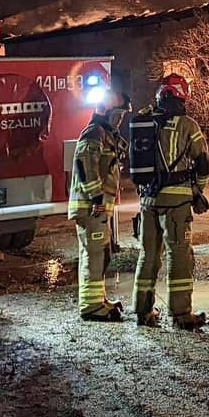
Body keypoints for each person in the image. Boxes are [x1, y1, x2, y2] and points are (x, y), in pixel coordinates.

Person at [133, 73, 209, 330]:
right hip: (176, 203)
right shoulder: (188, 125)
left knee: (148, 255)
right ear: (182, 95)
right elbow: (203, 165)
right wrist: (197, 191)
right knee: (179, 255)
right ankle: (181, 314)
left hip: (148, 201)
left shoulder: (145, 122)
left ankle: (142, 311)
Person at [68, 88, 129, 321]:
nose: (120, 120)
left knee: (99, 254)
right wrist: (96, 197)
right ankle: (91, 306)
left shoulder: (103, 133)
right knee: (94, 255)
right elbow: (85, 165)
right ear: (107, 112)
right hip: (91, 206)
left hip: (97, 207)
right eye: (118, 115)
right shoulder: (94, 133)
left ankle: (97, 300)